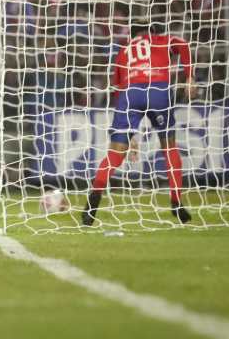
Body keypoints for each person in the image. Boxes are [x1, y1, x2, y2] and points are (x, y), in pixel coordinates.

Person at [83, 23, 195, 226]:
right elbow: (183, 44)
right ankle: (176, 201)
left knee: (115, 153)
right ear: (151, 31)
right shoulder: (160, 40)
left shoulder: (124, 50)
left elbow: (118, 88)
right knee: (169, 147)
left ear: (133, 35)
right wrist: (189, 77)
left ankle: (94, 200)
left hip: (129, 94)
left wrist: (130, 135)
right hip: (158, 89)